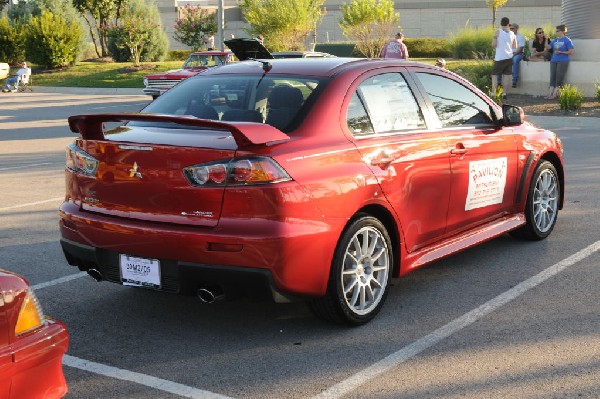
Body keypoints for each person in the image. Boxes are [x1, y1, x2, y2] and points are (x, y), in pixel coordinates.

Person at [545, 24, 574, 99]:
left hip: (563, 61)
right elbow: (547, 48)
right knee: (552, 77)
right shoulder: (555, 40)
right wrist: (546, 39)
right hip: (554, 60)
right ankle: (549, 94)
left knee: (559, 77)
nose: (556, 32)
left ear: (563, 31)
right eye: (556, 31)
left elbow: (571, 51)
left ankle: (555, 95)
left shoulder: (567, 40)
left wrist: (561, 52)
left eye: (557, 31)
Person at [491, 17, 517, 96]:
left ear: (501, 23)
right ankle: (504, 93)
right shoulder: (512, 33)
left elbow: (494, 45)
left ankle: (493, 92)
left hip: (499, 57)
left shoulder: (498, 32)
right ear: (508, 24)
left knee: (494, 75)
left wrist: (495, 38)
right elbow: (515, 46)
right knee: (506, 76)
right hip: (509, 57)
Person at [510, 23, 526, 87]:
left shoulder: (520, 37)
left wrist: (513, 55)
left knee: (515, 60)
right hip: (509, 53)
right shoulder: (508, 36)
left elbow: (520, 49)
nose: (511, 30)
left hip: (518, 53)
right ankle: (498, 81)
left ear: (516, 29)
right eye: (510, 28)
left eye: (512, 28)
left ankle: (514, 80)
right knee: (499, 60)